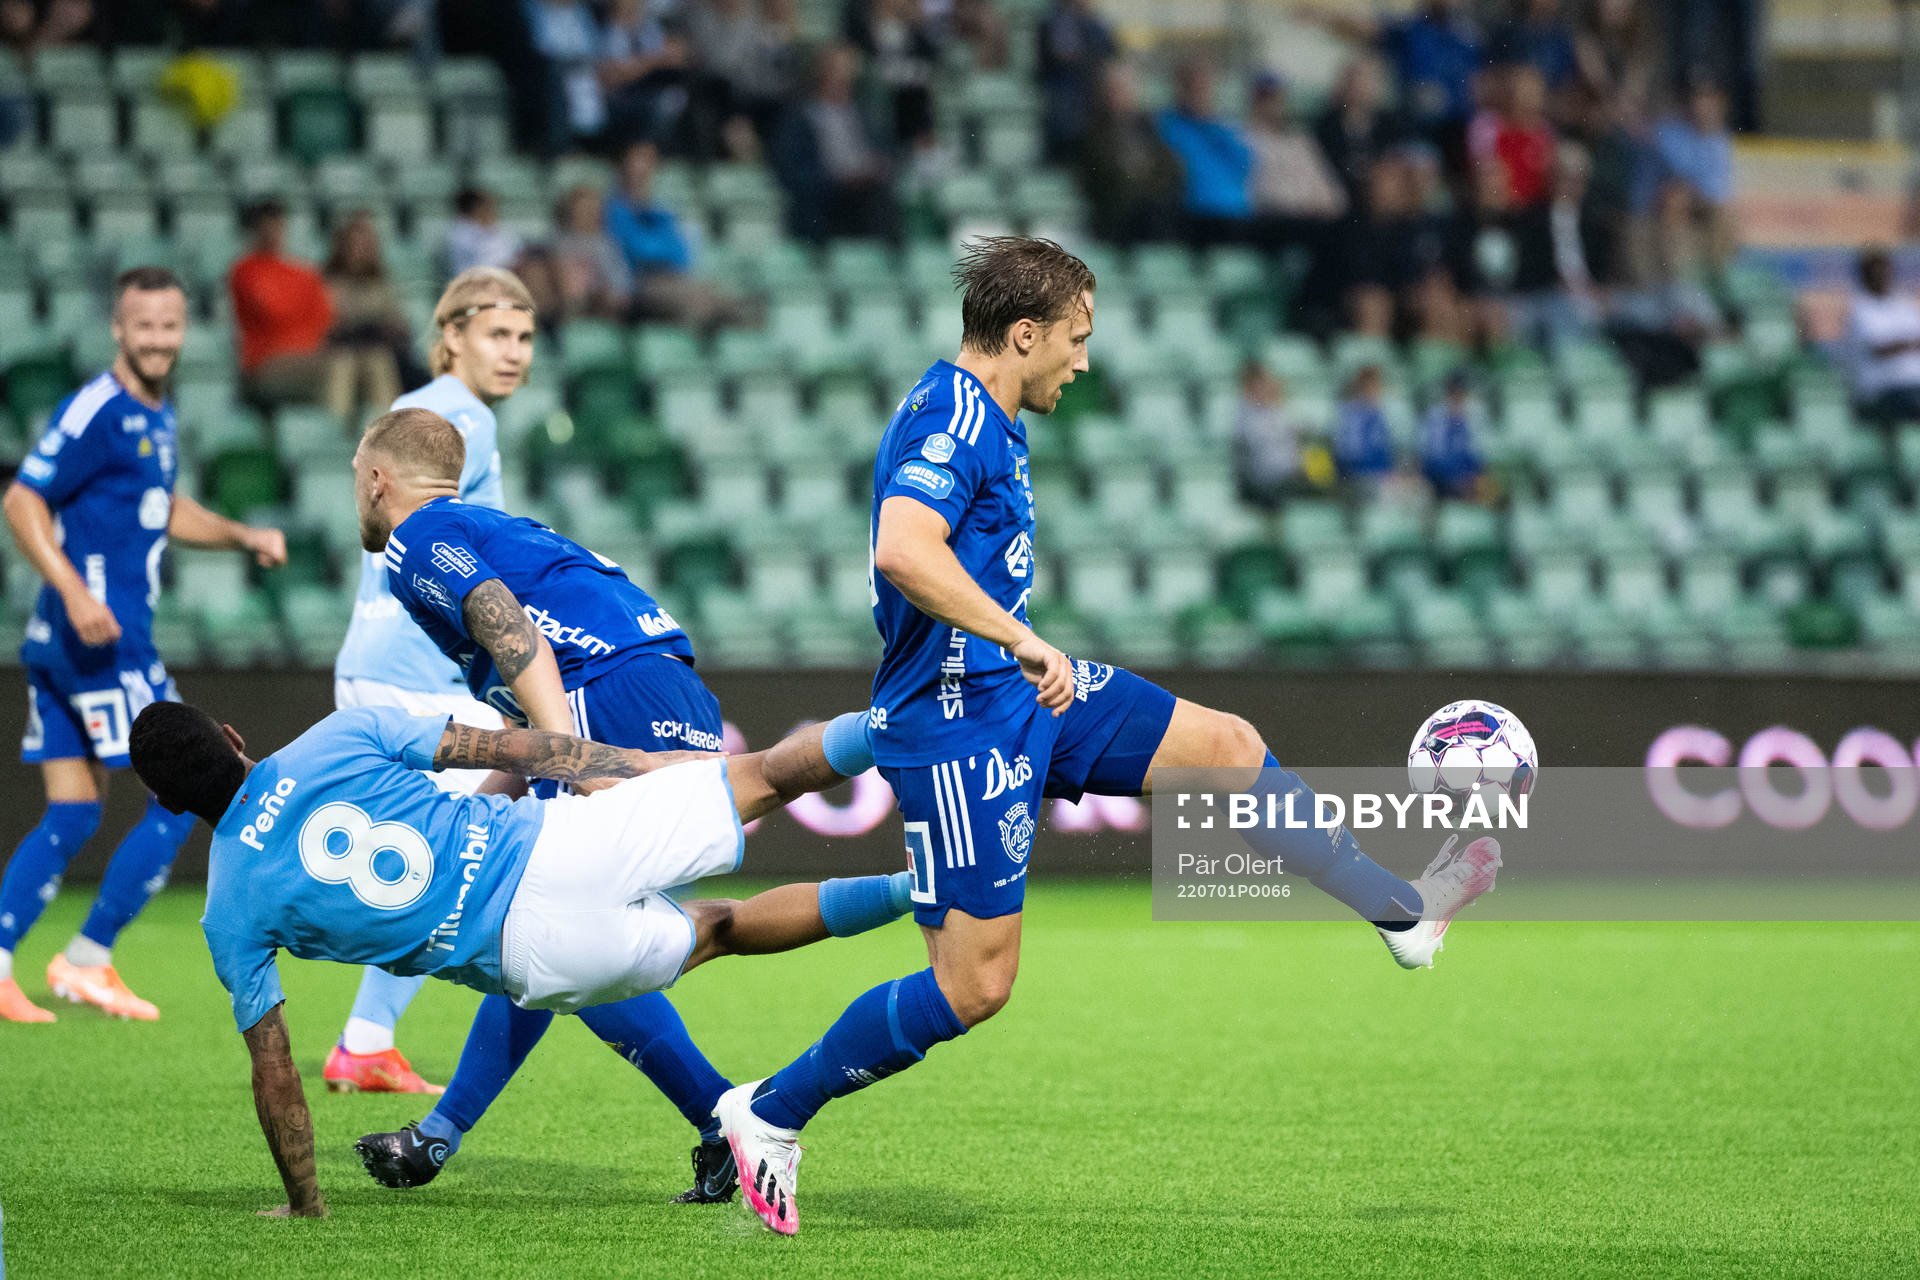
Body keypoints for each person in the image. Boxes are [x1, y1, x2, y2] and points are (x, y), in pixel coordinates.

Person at [712, 237, 1502, 1236]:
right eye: (1076, 340)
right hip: (955, 723)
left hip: (1023, 692)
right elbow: (903, 550)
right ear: (1026, 333)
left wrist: (1022, 653)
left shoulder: (993, 414)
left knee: (1228, 744)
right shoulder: (954, 416)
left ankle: (1399, 912)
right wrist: (1019, 637)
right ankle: (770, 1109)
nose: (1083, 363)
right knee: (976, 985)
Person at [340, 406, 879, 1199]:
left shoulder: (416, 538)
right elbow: (529, 691)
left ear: (378, 477)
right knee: (547, 930)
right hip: (661, 685)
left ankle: (724, 1116)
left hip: (606, 696)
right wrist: (502, 796)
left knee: (564, 939)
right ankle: (438, 1137)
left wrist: (569, 752)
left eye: (355, 475)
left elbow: (508, 625)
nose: (354, 489)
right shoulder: (493, 525)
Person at [125, 695, 906, 1220]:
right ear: (232, 737)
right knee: (767, 773)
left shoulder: (228, 912)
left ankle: (916, 887)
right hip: (557, 848)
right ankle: (907, 719)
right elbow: (511, 746)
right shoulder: (337, 735)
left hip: (532, 957)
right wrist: (625, 768)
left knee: (725, 928)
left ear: (168, 804)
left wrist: (305, 1202)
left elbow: (277, 1068)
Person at [0, 267, 287, 1024]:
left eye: (170, 326)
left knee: (70, 814)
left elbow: (160, 510)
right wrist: (73, 590)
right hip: (103, 641)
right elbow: (21, 498)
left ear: (182, 331)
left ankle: (1, 967)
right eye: (144, 326)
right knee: (185, 793)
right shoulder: (98, 408)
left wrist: (239, 535)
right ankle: (88, 959)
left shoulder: (156, 414)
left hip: (65, 645)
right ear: (118, 331)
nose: (158, 339)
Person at [324, 267, 537, 1096]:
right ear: (450, 336)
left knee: (433, 855)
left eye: (524, 338)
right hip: (421, 678)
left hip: (371, 662)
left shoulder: (410, 415)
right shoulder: (466, 421)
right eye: (497, 335)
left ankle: (367, 1035)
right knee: (467, 851)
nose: (514, 353)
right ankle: (367, 1037)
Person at [231, 198, 392, 422]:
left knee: (378, 361)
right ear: (254, 230)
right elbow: (273, 312)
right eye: (265, 227)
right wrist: (303, 315)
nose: (272, 233)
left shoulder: (303, 273)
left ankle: (387, 440)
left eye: (277, 225)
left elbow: (325, 317)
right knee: (341, 363)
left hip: (312, 357)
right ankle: (336, 440)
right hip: (267, 364)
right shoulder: (246, 271)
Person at [604, 141, 761, 330]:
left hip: (674, 278)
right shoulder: (614, 209)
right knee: (697, 306)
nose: (641, 167)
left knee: (733, 303)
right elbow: (636, 251)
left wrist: (657, 241)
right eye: (636, 160)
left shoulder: (661, 209)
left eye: (648, 160)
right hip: (641, 283)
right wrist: (660, 244)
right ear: (622, 165)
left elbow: (680, 253)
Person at [768, 41, 900, 242]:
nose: (846, 75)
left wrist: (875, 168)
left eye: (849, 69)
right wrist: (836, 178)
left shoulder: (863, 114)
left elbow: (884, 153)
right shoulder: (799, 117)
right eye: (838, 69)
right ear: (821, 72)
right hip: (825, 197)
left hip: (865, 195)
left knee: (884, 202)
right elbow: (792, 171)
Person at [1075, 60, 1183, 245]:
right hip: (1116, 215)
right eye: (1113, 89)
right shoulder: (1091, 132)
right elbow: (1101, 176)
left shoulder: (1149, 128)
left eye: (1123, 88)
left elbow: (1170, 166)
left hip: (1150, 209)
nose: (1117, 95)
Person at [320, 211, 412, 418]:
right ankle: (335, 429)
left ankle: (386, 429)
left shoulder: (381, 282)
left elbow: (397, 323)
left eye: (365, 245)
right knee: (352, 363)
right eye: (354, 245)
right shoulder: (329, 282)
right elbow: (329, 324)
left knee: (378, 361)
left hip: (377, 352)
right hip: (340, 353)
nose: (359, 251)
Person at [1844, 246, 1920, 424]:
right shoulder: (1859, 309)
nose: (1882, 277)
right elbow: (1880, 349)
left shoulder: (1903, 305)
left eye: (1885, 271)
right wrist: (1908, 344)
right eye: (1875, 273)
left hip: (1913, 384)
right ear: (1865, 276)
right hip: (1883, 390)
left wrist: (1904, 344)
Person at [1230, 359, 1313, 512]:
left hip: (1290, 474)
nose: (1265, 389)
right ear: (1249, 388)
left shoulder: (1279, 410)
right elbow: (1256, 443)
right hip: (1264, 480)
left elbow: (1303, 428)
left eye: (1267, 384)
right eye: (1259, 386)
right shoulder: (1244, 414)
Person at [1036, 0, 1114, 161]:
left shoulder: (1098, 26)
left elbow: (1111, 59)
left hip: (1096, 115)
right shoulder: (1054, 22)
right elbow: (1064, 56)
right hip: (1068, 118)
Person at [1418, 370, 1488, 500]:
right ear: (1447, 393)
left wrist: (1472, 476)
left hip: (1468, 476)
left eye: (1461, 394)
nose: (1457, 398)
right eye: (1453, 393)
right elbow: (1429, 454)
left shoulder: (1475, 415)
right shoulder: (1434, 416)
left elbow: (1479, 454)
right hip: (1439, 477)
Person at [1333, 362, 1396, 487]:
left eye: (1375, 386)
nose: (1372, 391)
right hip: (1355, 475)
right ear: (1359, 388)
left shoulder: (1387, 412)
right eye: (1367, 387)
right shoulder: (1347, 413)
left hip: (1385, 474)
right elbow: (1348, 451)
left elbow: (1396, 447)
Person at [445, 186, 525, 277]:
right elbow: (478, 266)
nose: (493, 210)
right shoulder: (459, 235)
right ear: (475, 208)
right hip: (474, 281)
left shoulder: (496, 229)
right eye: (487, 206)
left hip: (502, 275)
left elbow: (517, 251)